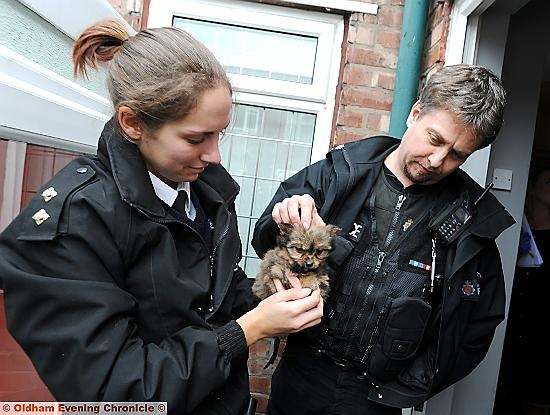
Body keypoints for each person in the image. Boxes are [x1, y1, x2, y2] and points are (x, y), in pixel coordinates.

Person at [0, 20, 323, 415]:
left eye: (220, 134)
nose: (214, 156)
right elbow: (118, 395)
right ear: (132, 123)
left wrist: (268, 292)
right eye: (195, 138)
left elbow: (207, 294)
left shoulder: (202, 192)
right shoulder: (73, 223)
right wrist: (250, 328)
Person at [252, 64, 514, 414]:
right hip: (302, 377)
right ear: (415, 113)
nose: (437, 160)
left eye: (456, 155)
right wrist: (283, 219)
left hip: (378, 400)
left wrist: (409, 387)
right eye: (434, 139)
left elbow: (476, 326)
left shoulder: (469, 223)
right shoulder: (337, 174)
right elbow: (264, 241)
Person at [495, 165, 550, 415]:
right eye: (549, 181)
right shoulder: (514, 230)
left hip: (541, 341)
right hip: (506, 333)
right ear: (531, 189)